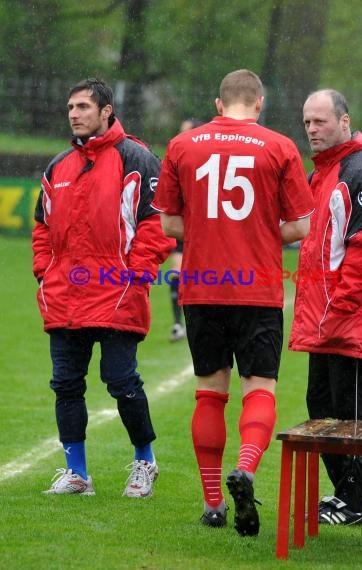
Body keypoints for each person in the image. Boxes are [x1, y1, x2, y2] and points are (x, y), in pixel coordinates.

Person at [154, 69, 314, 536]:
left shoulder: (183, 145)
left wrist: (210, 232)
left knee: (209, 392)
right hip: (257, 287)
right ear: (259, 104)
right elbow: (300, 228)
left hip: (202, 286)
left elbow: (167, 225)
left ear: (218, 105)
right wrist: (256, 236)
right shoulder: (280, 146)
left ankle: (212, 503)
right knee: (259, 388)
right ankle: (245, 469)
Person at [32, 78, 175, 498]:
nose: (74, 114)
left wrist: (137, 273)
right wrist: (45, 271)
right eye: (70, 107)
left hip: (117, 295)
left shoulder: (137, 158)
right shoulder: (58, 166)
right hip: (64, 297)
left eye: (83, 107)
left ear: (107, 111)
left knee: (121, 380)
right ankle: (76, 473)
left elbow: (158, 224)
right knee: (66, 384)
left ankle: (145, 462)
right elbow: (42, 227)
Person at [289, 89, 362, 525]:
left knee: (351, 413)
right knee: (320, 407)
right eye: (307, 122)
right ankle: (345, 496)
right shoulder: (324, 172)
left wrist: (337, 310)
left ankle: (352, 502)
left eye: (321, 121)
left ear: (345, 121)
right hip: (324, 318)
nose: (312, 130)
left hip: (347, 322)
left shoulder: (361, 173)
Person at [169, 118, 203, 342]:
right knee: (175, 274)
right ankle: (177, 324)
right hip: (184, 227)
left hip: (206, 230)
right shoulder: (177, 158)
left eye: (185, 133)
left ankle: (199, 321)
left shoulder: (205, 159)